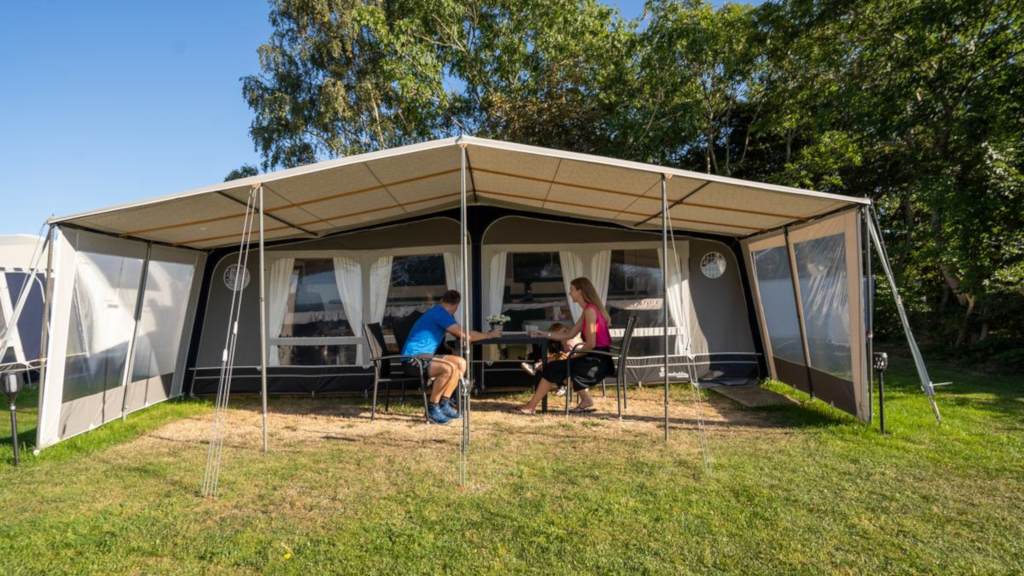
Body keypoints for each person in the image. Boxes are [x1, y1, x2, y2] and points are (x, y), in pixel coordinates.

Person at [511, 277, 614, 415]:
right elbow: (570, 333)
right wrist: (545, 334)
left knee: (553, 367)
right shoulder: (588, 310)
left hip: (597, 362)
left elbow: (591, 344)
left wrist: (575, 354)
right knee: (557, 369)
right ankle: (586, 400)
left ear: (580, 291)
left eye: (572, 290)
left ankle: (531, 407)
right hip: (598, 358)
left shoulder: (590, 311)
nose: (570, 293)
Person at [401, 290, 501, 424]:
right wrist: (489, 335)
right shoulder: (440, 314)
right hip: (412, 360)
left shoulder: (440, 312)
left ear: (443, 300)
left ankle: (444, 403)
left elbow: (459, 333)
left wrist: (462, 335)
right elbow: (465, 334)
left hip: (425, 357)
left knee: (460, 363)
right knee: (448, 369)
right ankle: (432, 408)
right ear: (457, 305)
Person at [520, 322, 580, 396]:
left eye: (555, 335)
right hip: (570, 359)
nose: (555, 338)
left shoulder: (569, 338)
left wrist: (561, 356)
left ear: (560, 332)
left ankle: (536, 367)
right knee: (553, 357)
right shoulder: (565, 337)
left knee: (554, 360)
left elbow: (574, 352)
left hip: (574, 362)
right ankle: (536, 366)